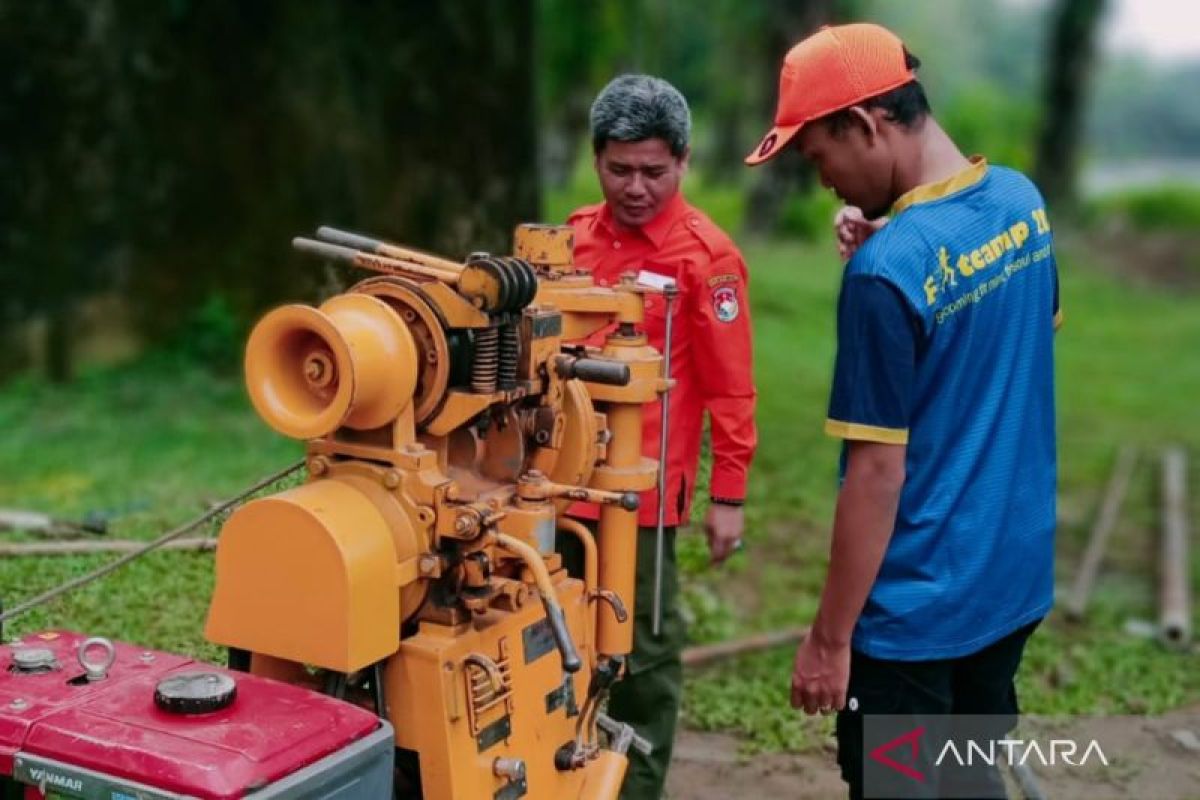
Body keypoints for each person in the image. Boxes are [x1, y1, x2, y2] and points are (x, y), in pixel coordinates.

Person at [745, 23, 1060, 799]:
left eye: (818, 155)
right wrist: (902, 236)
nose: (822, 180)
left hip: (916, 618)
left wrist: (828, 639)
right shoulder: (1021, 200)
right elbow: (1039, 319)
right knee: (968, 773)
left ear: (864, 124)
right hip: (1010, 583)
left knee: (902, 788)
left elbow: (879, 474)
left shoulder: (887, 274)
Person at [564, 73, 758, 800]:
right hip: (556, 487)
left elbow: (732, 389)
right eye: (620, 169)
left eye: (653, 170)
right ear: (596, 160)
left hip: (640, 499)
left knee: (640, 655)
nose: (636, 186)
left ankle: (634, 788)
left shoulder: (706, 258)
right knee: (550, 637)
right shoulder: (576, 239)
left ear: (682, 162)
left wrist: (729, 496)